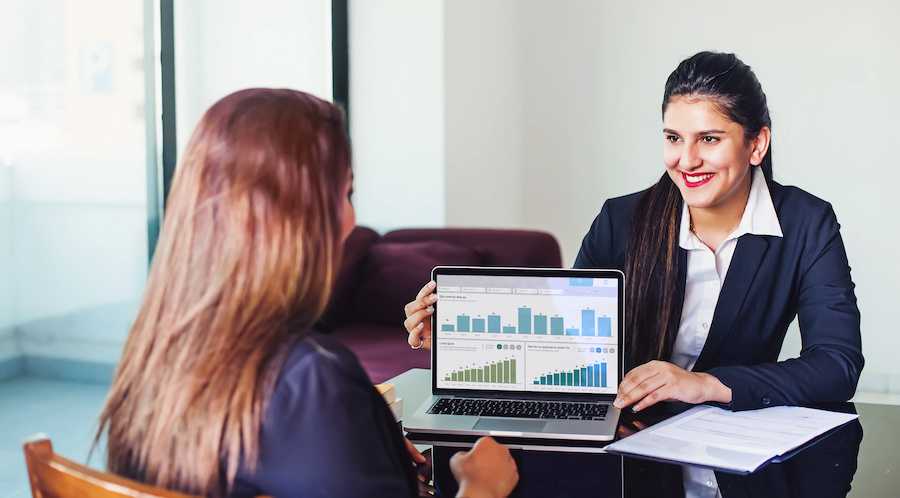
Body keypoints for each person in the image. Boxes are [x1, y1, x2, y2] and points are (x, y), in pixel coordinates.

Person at [405, 52, 863, 496]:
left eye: (709, 139)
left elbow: (837, 364)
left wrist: (706, 384)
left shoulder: (806, 222)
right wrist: (457, 336)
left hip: (735, 456)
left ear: (756, 143)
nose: (685, 161)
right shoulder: (621, 219)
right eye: (672, 138)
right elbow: (566, 345)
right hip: (625, 448)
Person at [93, 88, 518, 498]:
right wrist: (481, 486)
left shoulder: (155, 352)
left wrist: (367, 444)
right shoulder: (315, 379)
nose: (352, 220)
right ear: (299, 216)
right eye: (345, 193)